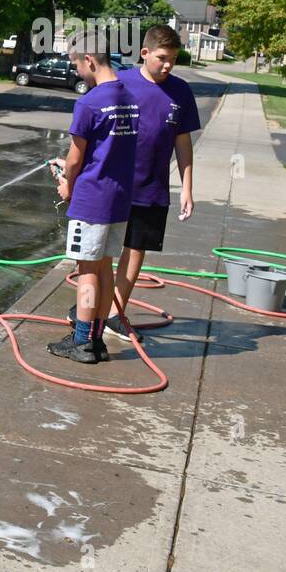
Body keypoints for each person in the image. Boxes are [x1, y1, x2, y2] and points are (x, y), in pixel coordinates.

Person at [72, 24, 199, 339]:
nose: (167, 65)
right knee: (99, 258)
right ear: (144, 53)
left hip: (152, 187)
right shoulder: (121, 83)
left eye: (173, 59)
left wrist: (187, 187)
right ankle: (90, 315)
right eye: (161, 58)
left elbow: (183, 143)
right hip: (114, 185)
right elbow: (91, 126)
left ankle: (115, 314)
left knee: (136, 248)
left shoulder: (181, 91)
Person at [49, 30, 139, 363]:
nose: (77, 72)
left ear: (89, 59)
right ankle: (97, 339)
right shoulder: (129, 98)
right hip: (118, 199)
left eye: (76, 64)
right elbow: (107, 150)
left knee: (85, 269)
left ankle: (81, 342)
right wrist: (74, 167)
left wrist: (66, 181)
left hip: (92, 199)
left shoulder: (89, 102)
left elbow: (75, 158)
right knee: (104, 268)